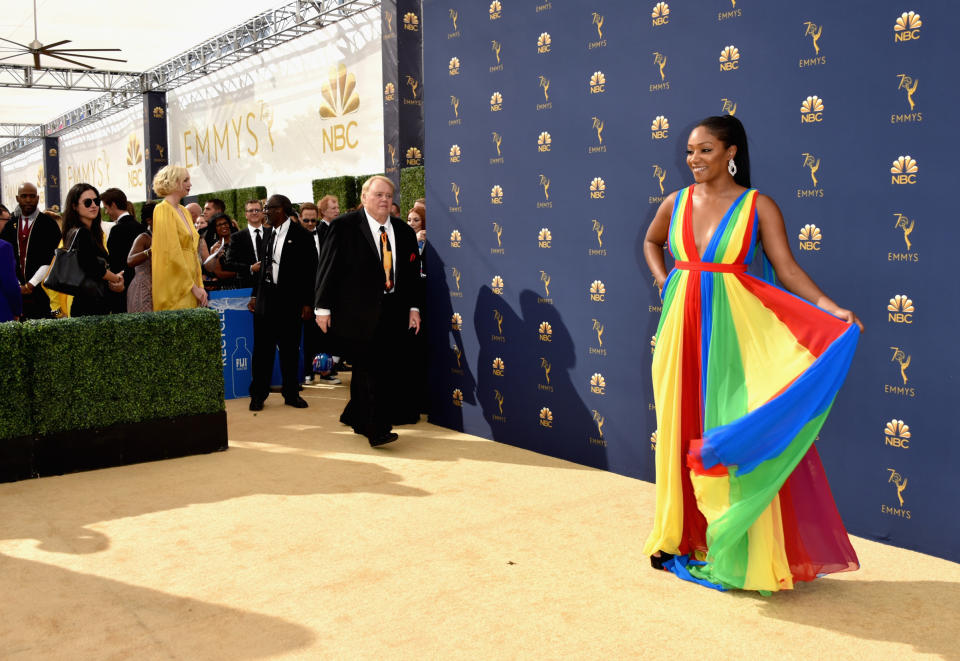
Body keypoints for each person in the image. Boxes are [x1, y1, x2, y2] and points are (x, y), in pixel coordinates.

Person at [642, 115, 862, 593]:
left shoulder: (758, 207)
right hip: (680, 326)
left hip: (733, 331)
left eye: (704, 150)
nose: (693, 160)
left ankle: (735, 540)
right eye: (690, 151)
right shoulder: (675, 201)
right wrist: (666, 281)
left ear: (731, 153)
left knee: (729, 425)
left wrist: (829, 308)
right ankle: (678, 535)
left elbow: (786, 268)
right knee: (679, 426)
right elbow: (651, 241)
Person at [315, 175, 422, 447]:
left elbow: (410, 276)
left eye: (389, 195)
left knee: (379, 368)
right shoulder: (342, 227)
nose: (385, 199)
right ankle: (376, 430)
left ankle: (354, 414)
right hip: (356, 314)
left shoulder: (403, 231)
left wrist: (413, 308)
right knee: (369, 367)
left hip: (394, 312)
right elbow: (327, 269)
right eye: (378, 195)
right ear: (364, 198)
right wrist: (322, 308)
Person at [248, 194, 319, 411]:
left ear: (281, 210)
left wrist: (308, 303)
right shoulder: (268, 233)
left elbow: (311, 273)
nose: (265, 211)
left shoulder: (303, 236)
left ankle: (291, 393)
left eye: (268, 208)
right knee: (262, 350)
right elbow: (263, 270)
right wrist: (254, 295)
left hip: (291, 302)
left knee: (289, 349)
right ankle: (258, 395)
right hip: (266, 300)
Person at [59, 183, 124, 316]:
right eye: (87, 202)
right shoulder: (82, 233)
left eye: (96, 201)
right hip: (89, 306)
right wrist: (115, 278)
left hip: (91, 303)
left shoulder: (84, 232)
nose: (94, 205)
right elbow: (92, 267)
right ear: (74, 206)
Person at [0, 183, 61, 319]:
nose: (28, 200)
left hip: (43, 293)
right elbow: (6, 262)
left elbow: (52, 258)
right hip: (17, 296)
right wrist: (18, 286)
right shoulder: (10, 225)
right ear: (17, 198)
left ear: (38, 198)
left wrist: (30, 285)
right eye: (24, 196)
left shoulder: (49, 224)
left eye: (32, 196)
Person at [150, 165, 207, 310]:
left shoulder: (184, 211)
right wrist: (193, 287)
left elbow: (194, 252)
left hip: (191, 283)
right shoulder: (162, 209)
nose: (190, 184)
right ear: (174, 182)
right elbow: (172, 252)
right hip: (175, 287)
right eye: (186, 180)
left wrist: (200, 285)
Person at [298, 202, 339, 385]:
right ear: (300, 218)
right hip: (304, 294)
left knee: (326, 334)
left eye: (313, 220)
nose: (310, 223)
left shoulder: (325, 233)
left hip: (325, 292)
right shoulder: (295, 237)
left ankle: (326, 371)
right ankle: (307, 371)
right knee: (307, 336)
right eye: (306, 220)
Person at [103, 187, 142, 312]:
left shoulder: (116, 230)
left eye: (106, 208)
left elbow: (115, 262)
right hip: (141, 287)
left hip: (122, 288)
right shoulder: (141, 227)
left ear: (113, 205)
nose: (106, 212)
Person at [223, 199, 269, 288]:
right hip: (247, 284)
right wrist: (250, 268)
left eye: (257, 210)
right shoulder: (236, 237)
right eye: (251, 210)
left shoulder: (271, 233)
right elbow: (229, 263)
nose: (254, 213)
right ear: (246, 215)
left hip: (270, 284)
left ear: (262, 213)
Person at [126, 202, 155, 313]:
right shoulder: (143, 238)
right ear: (149, 220)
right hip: (144, 289)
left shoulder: (165, 236)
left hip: (159, 287)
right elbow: (130, 260)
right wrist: (149, 251)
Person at [202, 213, 239, 289]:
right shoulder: (215, 248)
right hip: (224, 287)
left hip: (245, 285)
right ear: (214, 229)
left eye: (225, 223)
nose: (223, 226)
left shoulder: (240, 241)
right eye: (219, 225)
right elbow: (219, 273)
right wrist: (246, 270)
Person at [0, 204, 22, 322]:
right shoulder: (3, 247)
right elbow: (10, 285)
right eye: (6, 220)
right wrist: (17, 310)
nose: (8, 224)